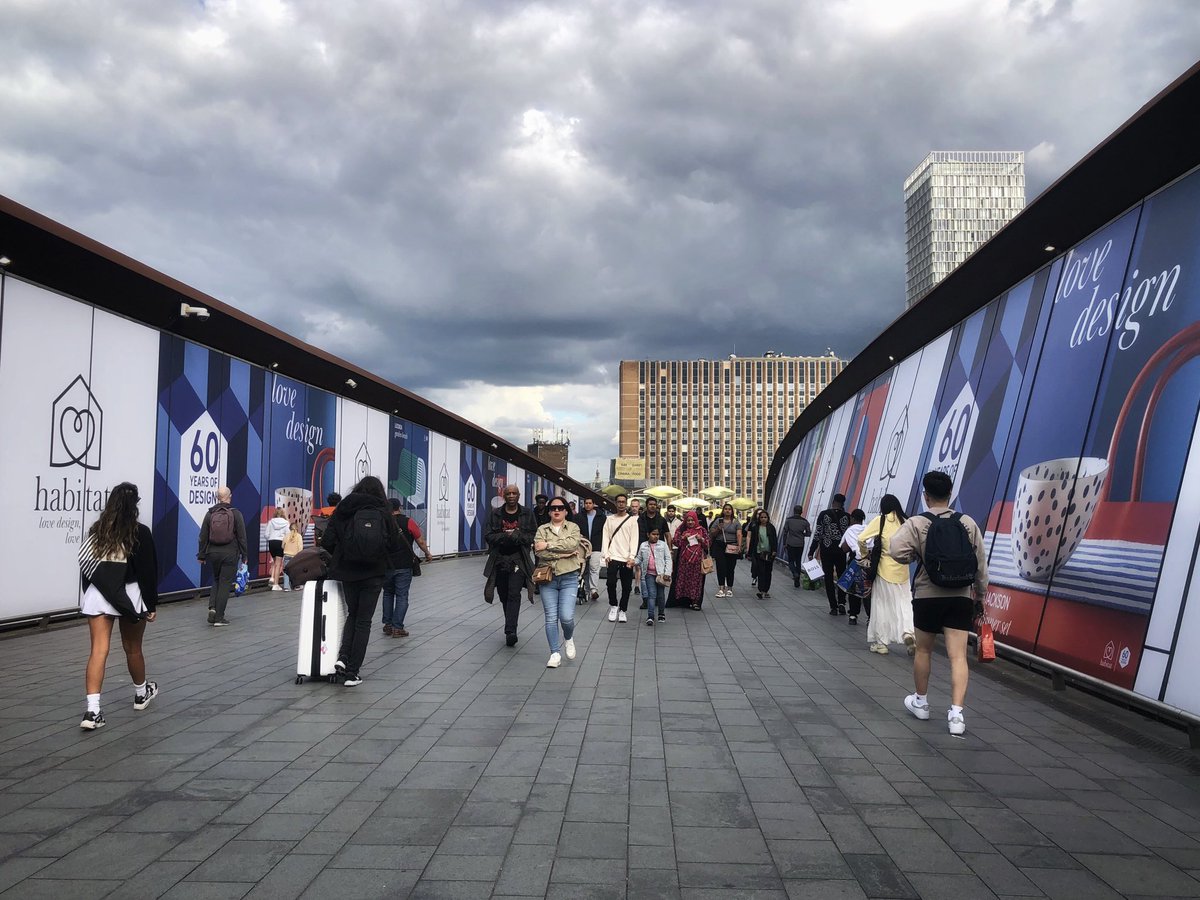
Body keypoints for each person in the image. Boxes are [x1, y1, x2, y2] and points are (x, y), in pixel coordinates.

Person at [889, 470, 989, 736]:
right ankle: (956, 716)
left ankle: (921, 703)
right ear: (949, 494)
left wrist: (916, 556)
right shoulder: (967, 522)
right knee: (958, 656)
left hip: (928, 596)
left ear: (926, 496)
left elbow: (895, 550)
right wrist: (980, 593)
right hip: (960, 596)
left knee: (923, 651)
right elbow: (980, 562)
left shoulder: (917, 523)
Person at [78, 482, 159, 729]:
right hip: (130, 595)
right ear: (134, 505)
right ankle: (140, 693)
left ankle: (92, 712)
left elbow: (87, 569)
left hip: (99, 594)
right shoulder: (140, 532)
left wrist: (91, 593)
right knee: (133, 648)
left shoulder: (97, 530)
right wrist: (151, 604)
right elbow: (148, 571)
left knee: (98, 651)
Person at [321, 475, 402, 686]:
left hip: (348, 571)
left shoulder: (344, 509)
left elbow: (328, 540)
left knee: (352, 615)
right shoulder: (383, 511)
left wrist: (345, 552)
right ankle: (352, 673)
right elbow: (395, 544)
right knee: (364, 622)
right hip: (373, 574)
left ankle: (342, 658)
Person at [858, 494, 916, 656]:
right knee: (905, 604)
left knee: (881, 605)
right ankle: (908, 633)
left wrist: (864, 556)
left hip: (884, 569)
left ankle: (882, 643)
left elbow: (861, 539)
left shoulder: (881, 520)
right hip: (903, 571)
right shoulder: (907, 522)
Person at [485, 485, 537, 646]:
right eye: (508, 493)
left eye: (514, 493)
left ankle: (510, 630)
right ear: (504, 496)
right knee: (503, 594)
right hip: (499, 559)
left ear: (519, 495)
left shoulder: (527, 513)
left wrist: (516, 535)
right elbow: (488, 535)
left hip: (519, 560)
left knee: (514, 593)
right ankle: (510, 623)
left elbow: (532, 535)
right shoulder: (495, 514)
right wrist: (505, 537)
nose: (512, 496)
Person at [534, 497, 582, 667]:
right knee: (551, 618)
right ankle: (555, 652)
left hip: (569, 577)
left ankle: (568, 637)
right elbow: (539, 553)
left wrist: (547, 545)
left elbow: (572, 544)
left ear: (566, 511)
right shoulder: (542, 529)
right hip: (548, 579)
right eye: (553, 508)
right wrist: (562, 554)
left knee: (566, 617)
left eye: (561, 507)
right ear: (548, 511)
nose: (557, 510)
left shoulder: (573, 527)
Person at [381, 498, 432, 637]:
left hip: (386, 565)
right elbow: (420, 540)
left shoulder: (383, 522)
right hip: (404, 565)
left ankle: (388, 625)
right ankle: (398, 628)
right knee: (402, 595)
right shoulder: (408, 521)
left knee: (387, 594)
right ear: (400, 507)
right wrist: (427, 553)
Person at [198, 485, 247, 626]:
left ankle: (212, 608)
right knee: (225, 583)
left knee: (217, 579)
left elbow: (203, 536)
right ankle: (219, 617)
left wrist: (201, 555)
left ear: (217, 498)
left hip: (213, 552)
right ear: (229, 497)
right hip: (230, 553)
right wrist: (244, 555)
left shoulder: (210, 513)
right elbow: (242, 536)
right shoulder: (236, 513)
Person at [810, 493, 850, 616]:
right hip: (841, 551)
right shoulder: (848, 516)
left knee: (828, 577)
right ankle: (842, 602)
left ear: (833, 502)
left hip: (826, 550)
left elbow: (818, 534)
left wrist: (811, 551)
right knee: (842, 576)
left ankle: (833, 606)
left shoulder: (824, 515)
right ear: (843, 503)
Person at [602, 494, 639, 622]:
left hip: (626, 557)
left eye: (623, 502)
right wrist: (606, 554)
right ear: (615, 503)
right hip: (612, 556)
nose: (621, 504)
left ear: (626, 504)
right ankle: (613, 605)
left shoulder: (632, 520)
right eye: (619, 502)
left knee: (627, 586)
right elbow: (605, 537)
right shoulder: (609, 519)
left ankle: (623, 610)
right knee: (610, 583)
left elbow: (634, 539)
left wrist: (632, 556)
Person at [672, 511, 710, 611]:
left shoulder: (702, 530)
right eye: (688, 520)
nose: (690, 522)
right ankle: (683, 601)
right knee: (682, 579)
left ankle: (695, 602)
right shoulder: (681, 529)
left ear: (696, 520)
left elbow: (707, 544)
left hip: (697, 562)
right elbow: (675, 542)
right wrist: (683, 537)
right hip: (683, 561)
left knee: (695, 581)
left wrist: (701, 539)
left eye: (692, 520)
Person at [636, 526, 673, 624]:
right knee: (651, 595)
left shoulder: (663, 545)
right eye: (653, 534)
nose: (656, 536)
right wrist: (632, 562)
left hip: (661, 575)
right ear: (648, 535)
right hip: (649, 574)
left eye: (657, 534)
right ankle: (650, 616)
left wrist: (667, 573)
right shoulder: (643, 545)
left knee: (660, 595)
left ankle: (661, 614)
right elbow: (639, 558)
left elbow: (668, 559)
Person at [573, 497, 606, 603]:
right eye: (586, 503)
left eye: (589, 503)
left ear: (593, 504)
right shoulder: (578, 517)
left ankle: (593, 590)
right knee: (583, 567)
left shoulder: (601, 517)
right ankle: (585, 589)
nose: (587, 505)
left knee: (594, 567)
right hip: (583, 545)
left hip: (596, 545)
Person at [637, 499, 668, 609]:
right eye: (650, 504)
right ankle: (646, 598)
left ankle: (656, 598)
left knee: (658, 572)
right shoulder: (640, 519)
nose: (652, 506)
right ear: (646, 506)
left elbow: (667, 534)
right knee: (644, 576)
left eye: (654, 504)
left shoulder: (661, 519)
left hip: (659, 550)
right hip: (643, 548)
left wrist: (669, 549)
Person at [709, 503, 743, 598]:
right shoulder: (718, 521)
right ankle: (721, 588)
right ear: (723, 510)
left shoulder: (736, 522)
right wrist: (718, 529)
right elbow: (711, 533)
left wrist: (740, 546)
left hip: (732, 546)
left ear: (732, 511)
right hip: (720, 546)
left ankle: (730, 588)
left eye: (729, 509)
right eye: (726, 509)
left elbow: (739, 534)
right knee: (721, 567)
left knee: (730, 568)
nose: (727, 510)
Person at [841, 508, 868, 624]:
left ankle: (853, 615)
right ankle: (870, 616)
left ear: (852, 518)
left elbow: (844, 548)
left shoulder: (850, 530)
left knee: (853, 588)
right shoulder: (868, 529)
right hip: (868, 562)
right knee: (867, 588)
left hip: (854, 562)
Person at [746, 508, 778, 599]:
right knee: (761, 571)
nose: (763, 519)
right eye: (762, 517)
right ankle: (761, 590)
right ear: (759, 518)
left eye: (765, 517)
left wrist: (774, 550)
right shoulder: (756, 527)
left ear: (768, 518)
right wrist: (749, 553)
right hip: (759, 553)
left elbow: (774, 540)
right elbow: (753, 540)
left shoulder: (771, 527)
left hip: (769, 553)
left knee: (768, 572)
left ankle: (766, 590)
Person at [780, 505, 812, 588]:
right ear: (801, 512)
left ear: (794, 511)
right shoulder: (805, 522)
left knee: (791, 561)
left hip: (790, 543)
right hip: (800, 544)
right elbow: (809, 533)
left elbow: (785, 532)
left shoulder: (789, 520)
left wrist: (784, 543)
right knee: (798, 561)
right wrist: (802, 534)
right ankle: (797, 582)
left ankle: (795, 573)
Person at [264, 507, 290, 591]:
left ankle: (272, 578)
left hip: (272, 542)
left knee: (274, 562)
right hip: (280, 542)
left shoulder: (271, 522)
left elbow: (266, 534)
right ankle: (276, 584)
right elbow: (288, 534)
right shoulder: (286, 523)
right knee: (278, 564)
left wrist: (271, 537)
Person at [281, 520, 304, 591]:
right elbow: (300, 547)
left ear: (289, 528)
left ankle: (286, 587)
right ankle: (296, 586)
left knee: (286, 572)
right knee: (296, 571)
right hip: (295, 556)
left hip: (287, 555)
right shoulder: (299, 536)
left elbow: (282, 546)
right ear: (297, 528)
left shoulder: (286, 536)